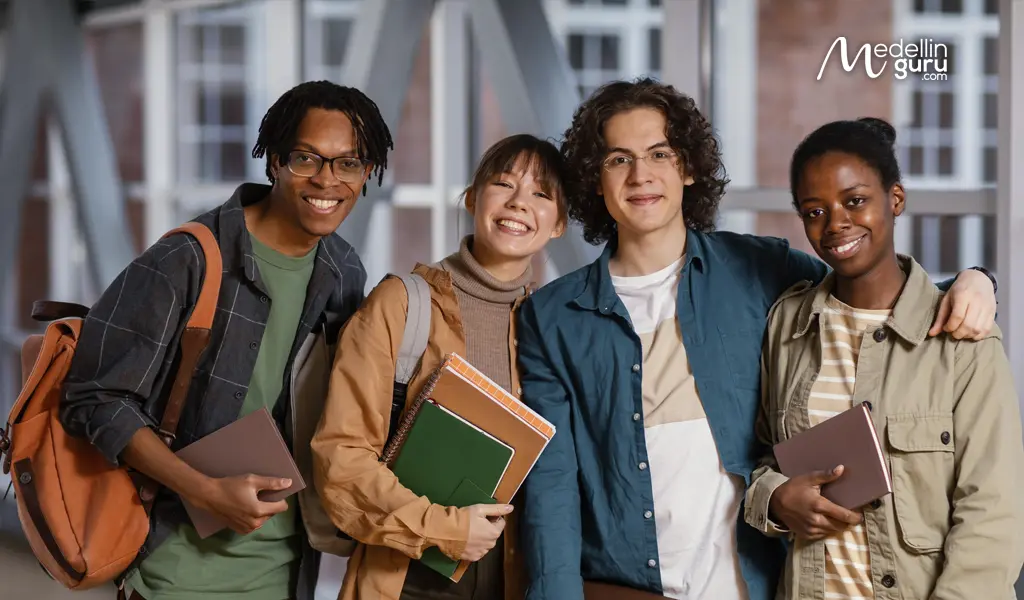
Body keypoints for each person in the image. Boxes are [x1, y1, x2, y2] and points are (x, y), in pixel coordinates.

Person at [514, 78, 1000, 600]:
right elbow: (552, 490)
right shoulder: (552, 316)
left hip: (762, 583)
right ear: (595, 178)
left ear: (689, 166)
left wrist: (973, 280)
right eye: (618, 160)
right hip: (629, 587)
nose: (641, 175)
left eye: (660, 152)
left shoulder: (759, 267)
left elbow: (870, 290)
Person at [60, 80, 393, 600]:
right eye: (307, 159)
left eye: (348, 163)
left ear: (367, 172)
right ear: (275, 161)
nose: (327, 180)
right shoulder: (187, 260)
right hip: (175, 572)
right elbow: (95, 398)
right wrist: (206, 491)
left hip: (288, 569)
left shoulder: (343, 269)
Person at [745, 117, 1023, 600]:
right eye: (814, 211)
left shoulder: (963, 336)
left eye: (855, 201)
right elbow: (766, 455)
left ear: (895, 199)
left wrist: (981, 277)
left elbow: (991, 513)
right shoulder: (787, 324)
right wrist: (774, 498)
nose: (835, 224)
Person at [310, 134, 568, 600]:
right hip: (406, 580)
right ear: (472, 198)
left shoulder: (554, 327)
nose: (518, 203)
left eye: (541, 194)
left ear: (559, 224)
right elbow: (341, 461)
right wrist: (444, 529)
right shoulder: (402, 306)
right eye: (503, 184)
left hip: (518, 582)